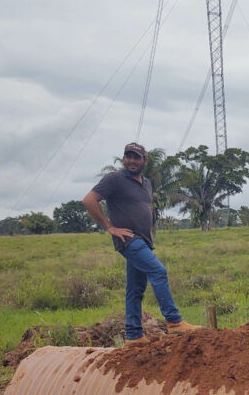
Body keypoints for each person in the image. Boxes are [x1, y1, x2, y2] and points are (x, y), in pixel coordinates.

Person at [82, 142, 200, 346]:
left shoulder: (146, 183)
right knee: (158, 271)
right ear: (123, 158)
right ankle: (174, 321)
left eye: (136, 157)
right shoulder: (114, 179)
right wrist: (109, 227)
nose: (131, 161)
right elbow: (89, 200)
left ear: (145, 160)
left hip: (144, 240)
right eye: (128, 156)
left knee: (135, 289)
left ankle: (134, 335)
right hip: (128, 240)